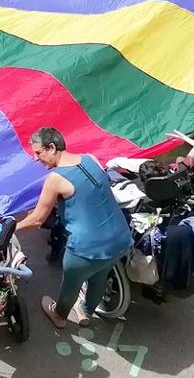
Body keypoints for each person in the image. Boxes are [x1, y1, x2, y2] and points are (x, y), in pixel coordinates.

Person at [17, 127, 132, 329]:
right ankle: (86, 310)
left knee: (71, 283)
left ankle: (59, 315)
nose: (36, 159)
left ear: (51, 147)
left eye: (38, 153)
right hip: (120, 238)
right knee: (100, 274)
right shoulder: (91, 159)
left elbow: (37, 219)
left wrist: (10, 227)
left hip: (85, 248)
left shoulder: (55, 179)